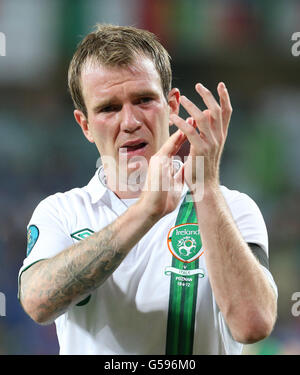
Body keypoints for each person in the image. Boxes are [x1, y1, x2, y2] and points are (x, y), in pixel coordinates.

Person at [18, 24, 277, 355]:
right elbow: (38, 302)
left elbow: (253, 324)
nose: (129, 121)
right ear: (85, 125)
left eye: (143, 100)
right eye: (109, 108)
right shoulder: (62, 212)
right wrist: (145, 212)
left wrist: (206, 186)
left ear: (171, 107)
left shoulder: (233, 209)